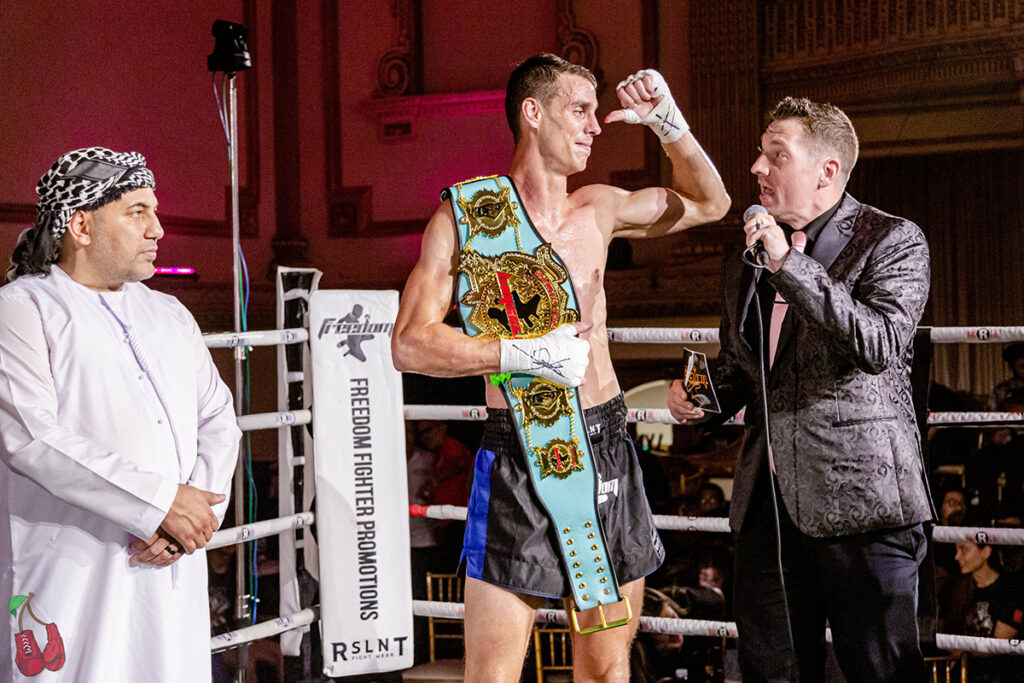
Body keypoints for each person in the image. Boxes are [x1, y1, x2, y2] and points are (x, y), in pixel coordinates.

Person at [392, 54, 730, 681]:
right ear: (533, 112)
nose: (595, 126)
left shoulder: (599, 209)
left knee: (605, 669)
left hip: (603, 449)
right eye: (580, 110)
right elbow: (409, 344)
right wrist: (517, 352)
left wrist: (669, 125)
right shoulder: (466, 218)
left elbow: (712, 203)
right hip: (518, 456)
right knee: (491, 674)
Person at [668, 97, 934, 682]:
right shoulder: (748, 257)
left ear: (827, 171)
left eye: (776, 155)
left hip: (863, 505)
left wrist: (790, 263)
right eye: (759, 155)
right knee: (773, 674)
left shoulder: (893, 240)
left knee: (882, 671)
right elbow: (746, 368)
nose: (757, 168)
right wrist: (702, 395)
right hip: (767, 505)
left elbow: (878, 342)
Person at [0, 147, 241, 681]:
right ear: (81, 225)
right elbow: (30, 438)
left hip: (170, 560)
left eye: (154, 212)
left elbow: (218, 417)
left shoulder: (168, 312)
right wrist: (158, 505)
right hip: (73, 571)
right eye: (137, 212)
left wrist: (190, 520)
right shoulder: (22, 308)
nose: (157, 229)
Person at [939, 539, 1024, 682]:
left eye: (964, 549)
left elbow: (1000, 643)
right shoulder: (953, 588)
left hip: (997, 673)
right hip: (959, 671)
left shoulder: (1010, 589)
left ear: (986, 552)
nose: (957, 556)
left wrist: (963, 650)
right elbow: (942, 630)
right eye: (956, 550)